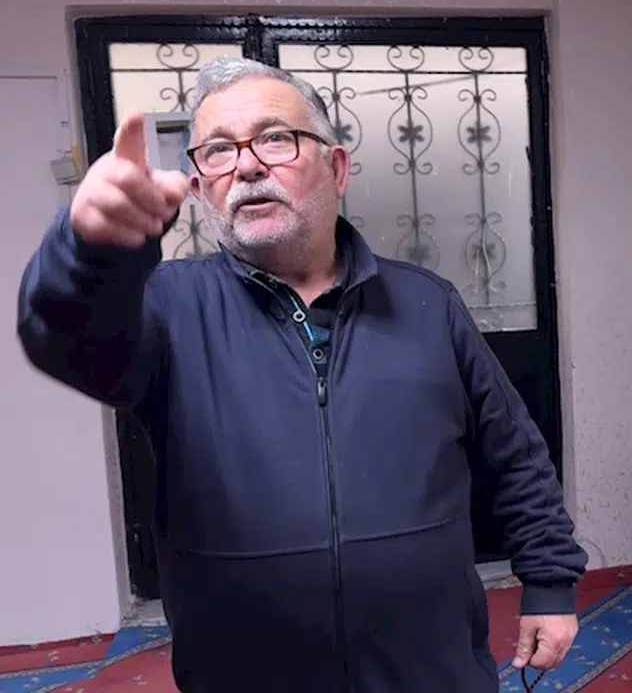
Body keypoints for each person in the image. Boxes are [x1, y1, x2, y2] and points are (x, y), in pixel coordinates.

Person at [16, 57, 588, 692]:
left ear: (336, 168)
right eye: (218, 151)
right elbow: (65, 339)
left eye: (274, 138)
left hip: (430, 670)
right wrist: (92, 254)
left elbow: (515, 455)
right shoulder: (166, 307)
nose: (246, 166)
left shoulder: (428, 304)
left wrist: (549, 583)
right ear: (201, 189)